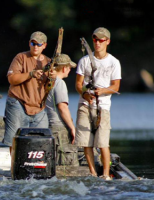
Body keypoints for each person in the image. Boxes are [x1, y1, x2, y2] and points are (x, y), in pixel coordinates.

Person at [75, 27, 121, 180]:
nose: (98, 43)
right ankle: (93, 173)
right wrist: (85, 93)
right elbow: (78, 84)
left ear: (107, 41)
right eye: (95, 39)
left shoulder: (114, 62)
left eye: (101, 40)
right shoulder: (84, 60)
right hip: (85, 105)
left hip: (103, 107)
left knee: (103, 142)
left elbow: (116, 87)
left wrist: (102, 91)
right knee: (86, 142)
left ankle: (106, 174)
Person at [2, 31, 52, 153]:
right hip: (18, 103)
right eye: (33, 43)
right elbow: (12, 79)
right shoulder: (21, 57)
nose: (35, 46)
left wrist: (53, 77)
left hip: (39, 108)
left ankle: (33, 167)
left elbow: (50, 88)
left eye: (39, 44)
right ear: (29, 43)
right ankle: (15, 168)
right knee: (15, 139)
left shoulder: (49, 62)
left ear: (44, 45)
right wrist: (31, 74)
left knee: (40, 141)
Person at [45, 54, 79, 166]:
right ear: (64, 68)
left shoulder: (47, 81)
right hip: (59, 128)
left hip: (48, 126)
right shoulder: (60, 83)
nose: (70, 70)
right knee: (65, 164)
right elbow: (62, 107)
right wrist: (72, 128)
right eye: (69, 67)